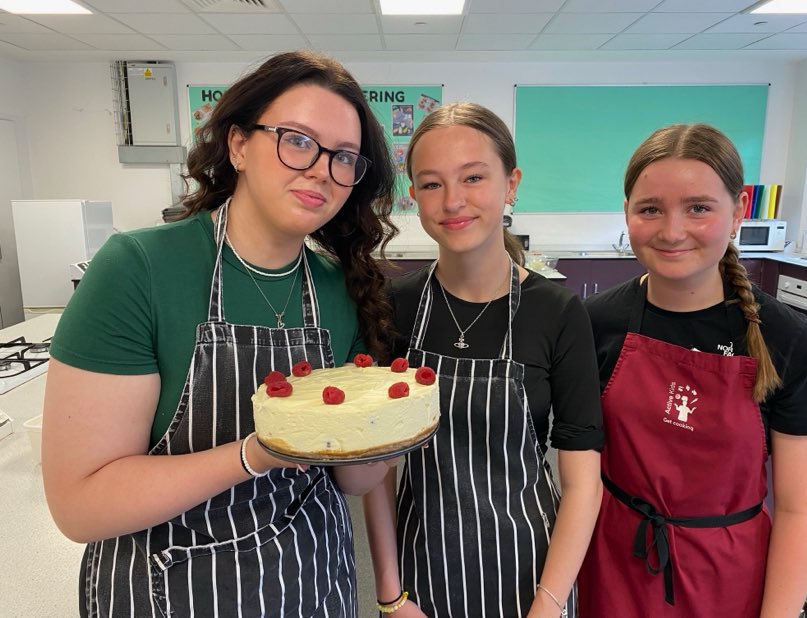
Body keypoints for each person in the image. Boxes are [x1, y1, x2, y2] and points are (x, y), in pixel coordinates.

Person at [41, 50, 399, 617]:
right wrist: (255, 454)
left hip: (311, 583)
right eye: (297, 140)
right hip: (167, 588)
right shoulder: (140, 268)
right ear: (238, 145)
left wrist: (390, 428)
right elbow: (80, 504)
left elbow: (351, 480)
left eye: (345, 157)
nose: (320, 169)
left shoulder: (338, 285)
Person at [363, 102, 604, 617]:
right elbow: (377, 470)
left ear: (511, 183)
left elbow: (582, 479)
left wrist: (550, 602)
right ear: (414, 197)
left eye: (473, 177)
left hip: (531, 568)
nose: (453, 201)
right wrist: (389, 593)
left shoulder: (557, 311)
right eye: (431, 184)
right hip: (420, 566)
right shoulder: (395, 308)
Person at [577, 123, 807, 616]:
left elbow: (796, 508)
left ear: (739, 211)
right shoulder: (595, 323)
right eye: (650, 209)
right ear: (627, 213)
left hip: (731, 579)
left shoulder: (785, 337)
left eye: (698, 207)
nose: (671, 230)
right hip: (614, 567)